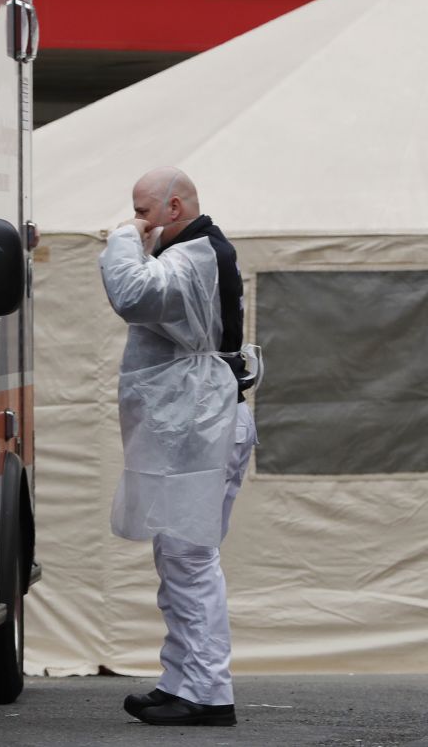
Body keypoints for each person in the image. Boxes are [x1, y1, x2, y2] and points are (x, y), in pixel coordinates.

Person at [98, 166, 259, 727]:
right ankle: (182, 680)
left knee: (190, 558)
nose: (137, 222)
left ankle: (209, 692)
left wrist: (123, 239)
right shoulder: (191, 254)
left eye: (143, 211)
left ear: (173, 207)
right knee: (177, 556)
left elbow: (133, 294)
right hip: (199, 424)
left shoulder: (197, 257)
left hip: (204, 426)